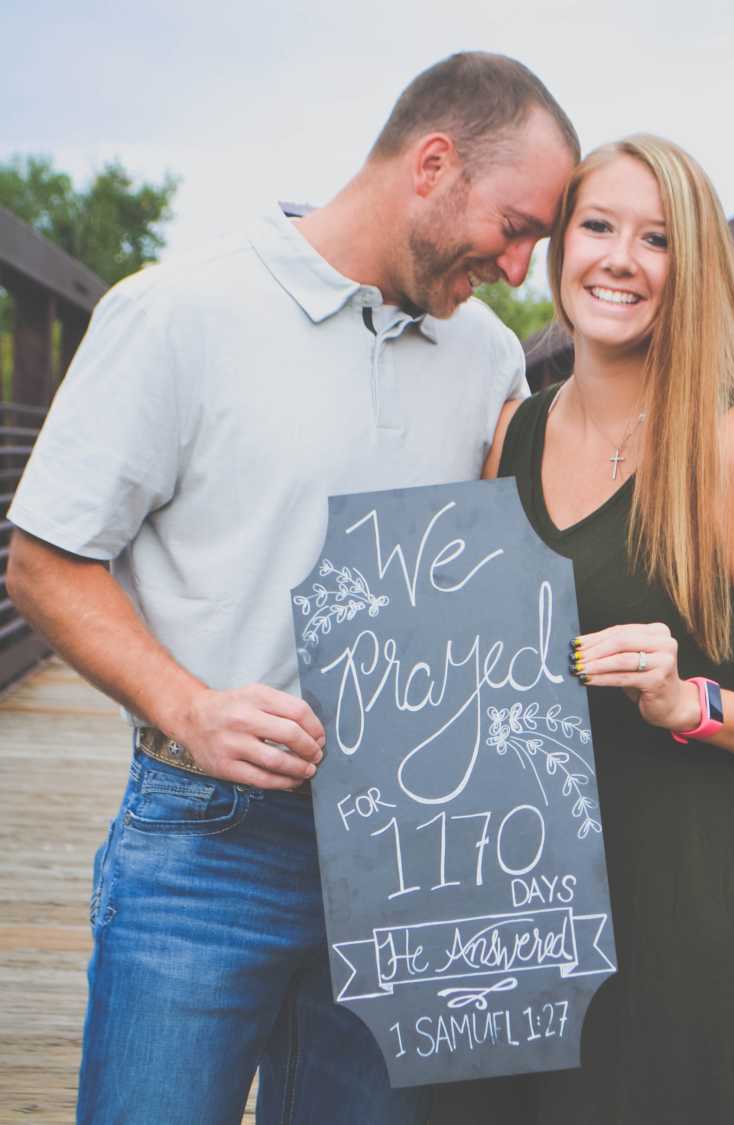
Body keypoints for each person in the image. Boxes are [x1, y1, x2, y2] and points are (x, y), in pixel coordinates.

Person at [6, 53, 578, 1125]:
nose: (517, 267)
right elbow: (44, 564)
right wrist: (190, 705)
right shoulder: (177, 311)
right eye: (517, 226)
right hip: (203, 842)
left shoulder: (492, 359)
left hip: (409, 854)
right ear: (435, 164)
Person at [434, 135, 734, 1124]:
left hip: (692, 898)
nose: (620, 258)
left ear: (693, 268)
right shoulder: (515, 432)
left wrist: (690, 702)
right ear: (559, 247)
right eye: (598, 226)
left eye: (657, 238)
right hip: (533, 897)